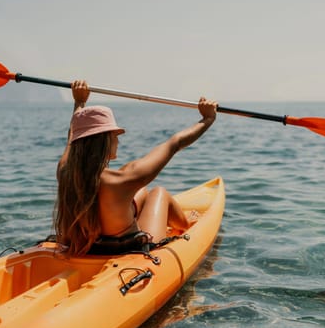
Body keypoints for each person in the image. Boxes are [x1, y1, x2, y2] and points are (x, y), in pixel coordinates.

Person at [54, 80, 217, 256]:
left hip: (89, 246)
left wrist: (79, 103)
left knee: (142, 192)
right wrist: (207, 119)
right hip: (127, 249)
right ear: (105, 140)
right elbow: (175, 143)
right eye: (115, 135)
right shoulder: (123, 180)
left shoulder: (65, 170)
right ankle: (185, 224)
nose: (118, 140)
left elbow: (73, 135)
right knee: (158, 193)